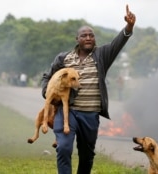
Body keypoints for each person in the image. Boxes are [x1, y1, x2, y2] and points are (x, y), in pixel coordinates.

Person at [41, 4, 136, 174]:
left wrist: (128, 27)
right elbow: (48, 77)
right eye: (84, 35)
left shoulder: (102, 55)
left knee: (87, 156)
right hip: (67, 112)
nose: (88, 38)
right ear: (77, 39)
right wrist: (47, 92)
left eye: (91, 35)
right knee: (63, 148)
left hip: (90, 114)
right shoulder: (64, 58)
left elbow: (117, 44)